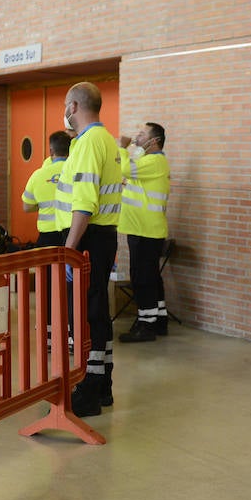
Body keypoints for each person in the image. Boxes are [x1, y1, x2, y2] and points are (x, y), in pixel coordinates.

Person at [57, 81, 124, 417]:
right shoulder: (105, 140)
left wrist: (67, 251)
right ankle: (102, 382)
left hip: (87, 237)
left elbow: (83, 202)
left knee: (87, 313)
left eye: (65, 106)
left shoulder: (86, 144)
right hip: (103, 234)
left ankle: (90, 387)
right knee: (96, 310)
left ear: (73, 107)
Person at [116, 122, 171, 343]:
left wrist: (122, 147)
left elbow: (126, 169)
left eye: (142, 134)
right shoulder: (149, 162)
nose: (137, 137)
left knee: (142, 279)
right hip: (142, 228)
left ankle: (146, 326)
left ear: (154, 140)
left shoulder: (154, 161)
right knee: (151, 278)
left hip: (145, 230)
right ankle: (159, 320)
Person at [22, 131, 69, 248]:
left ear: (51, 151)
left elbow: (27, 207)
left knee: (47, 267)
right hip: (72, 232)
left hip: (48, 235)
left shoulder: (38, 175)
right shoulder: (78, 172)